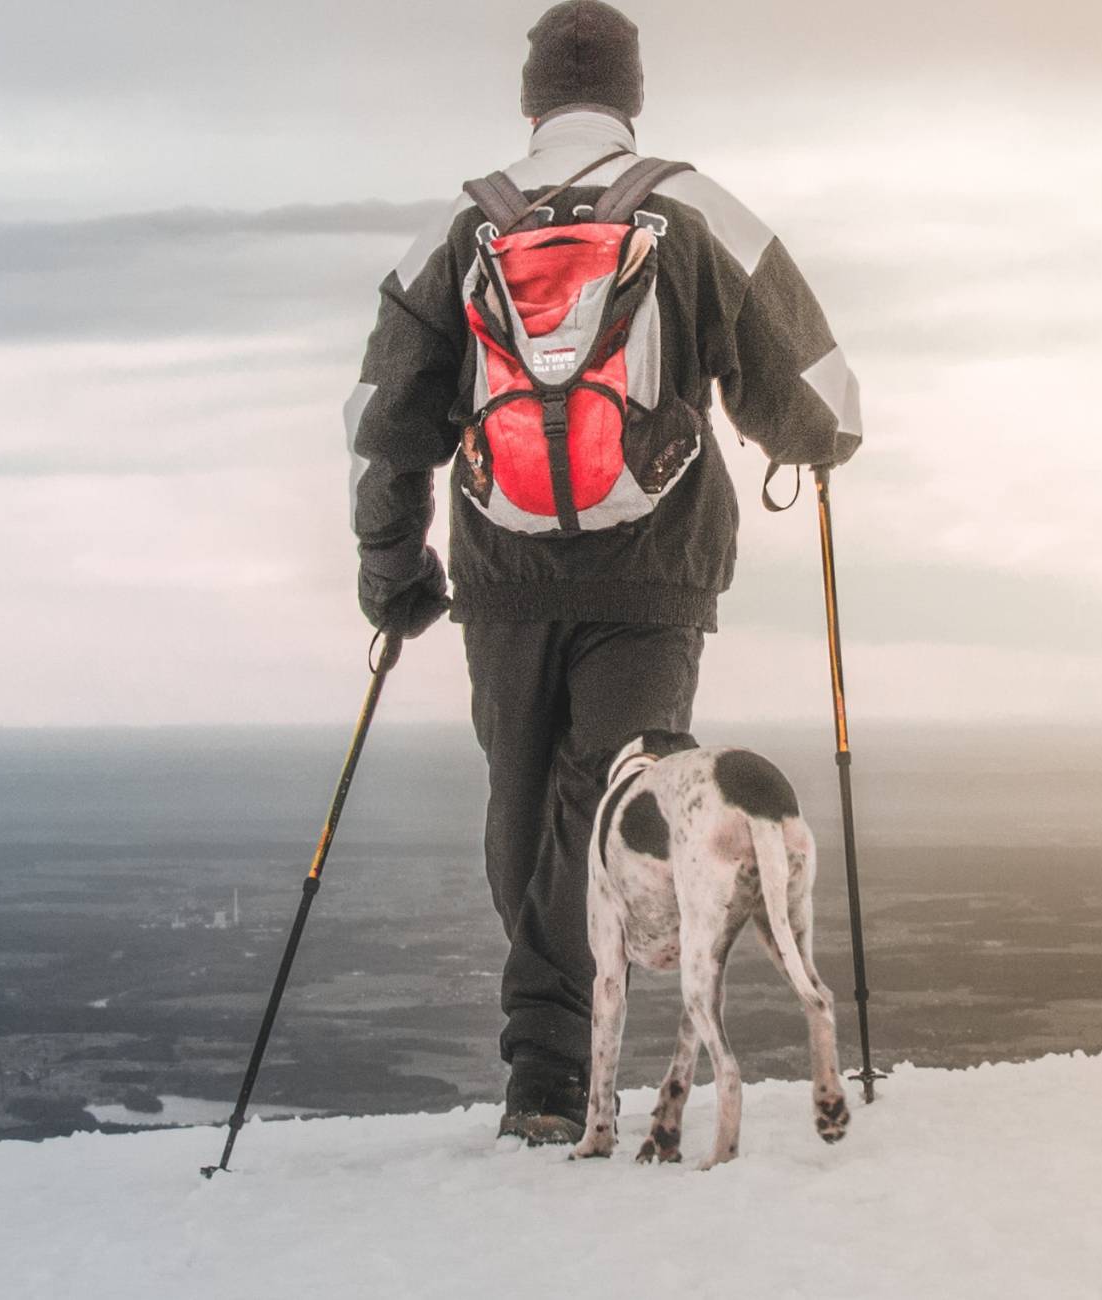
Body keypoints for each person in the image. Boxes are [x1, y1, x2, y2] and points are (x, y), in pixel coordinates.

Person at [343, 0, 861, 1145]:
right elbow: (822, 397)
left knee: (526, 809)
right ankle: (627, 1074)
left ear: (532, 99)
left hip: (502, 573)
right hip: (655, 575)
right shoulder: (689, 207)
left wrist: (395, 571)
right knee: (619, 810)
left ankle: (541, 1079)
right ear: (631, 96)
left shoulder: (464, 225)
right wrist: (813, 452)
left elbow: (385, 420)